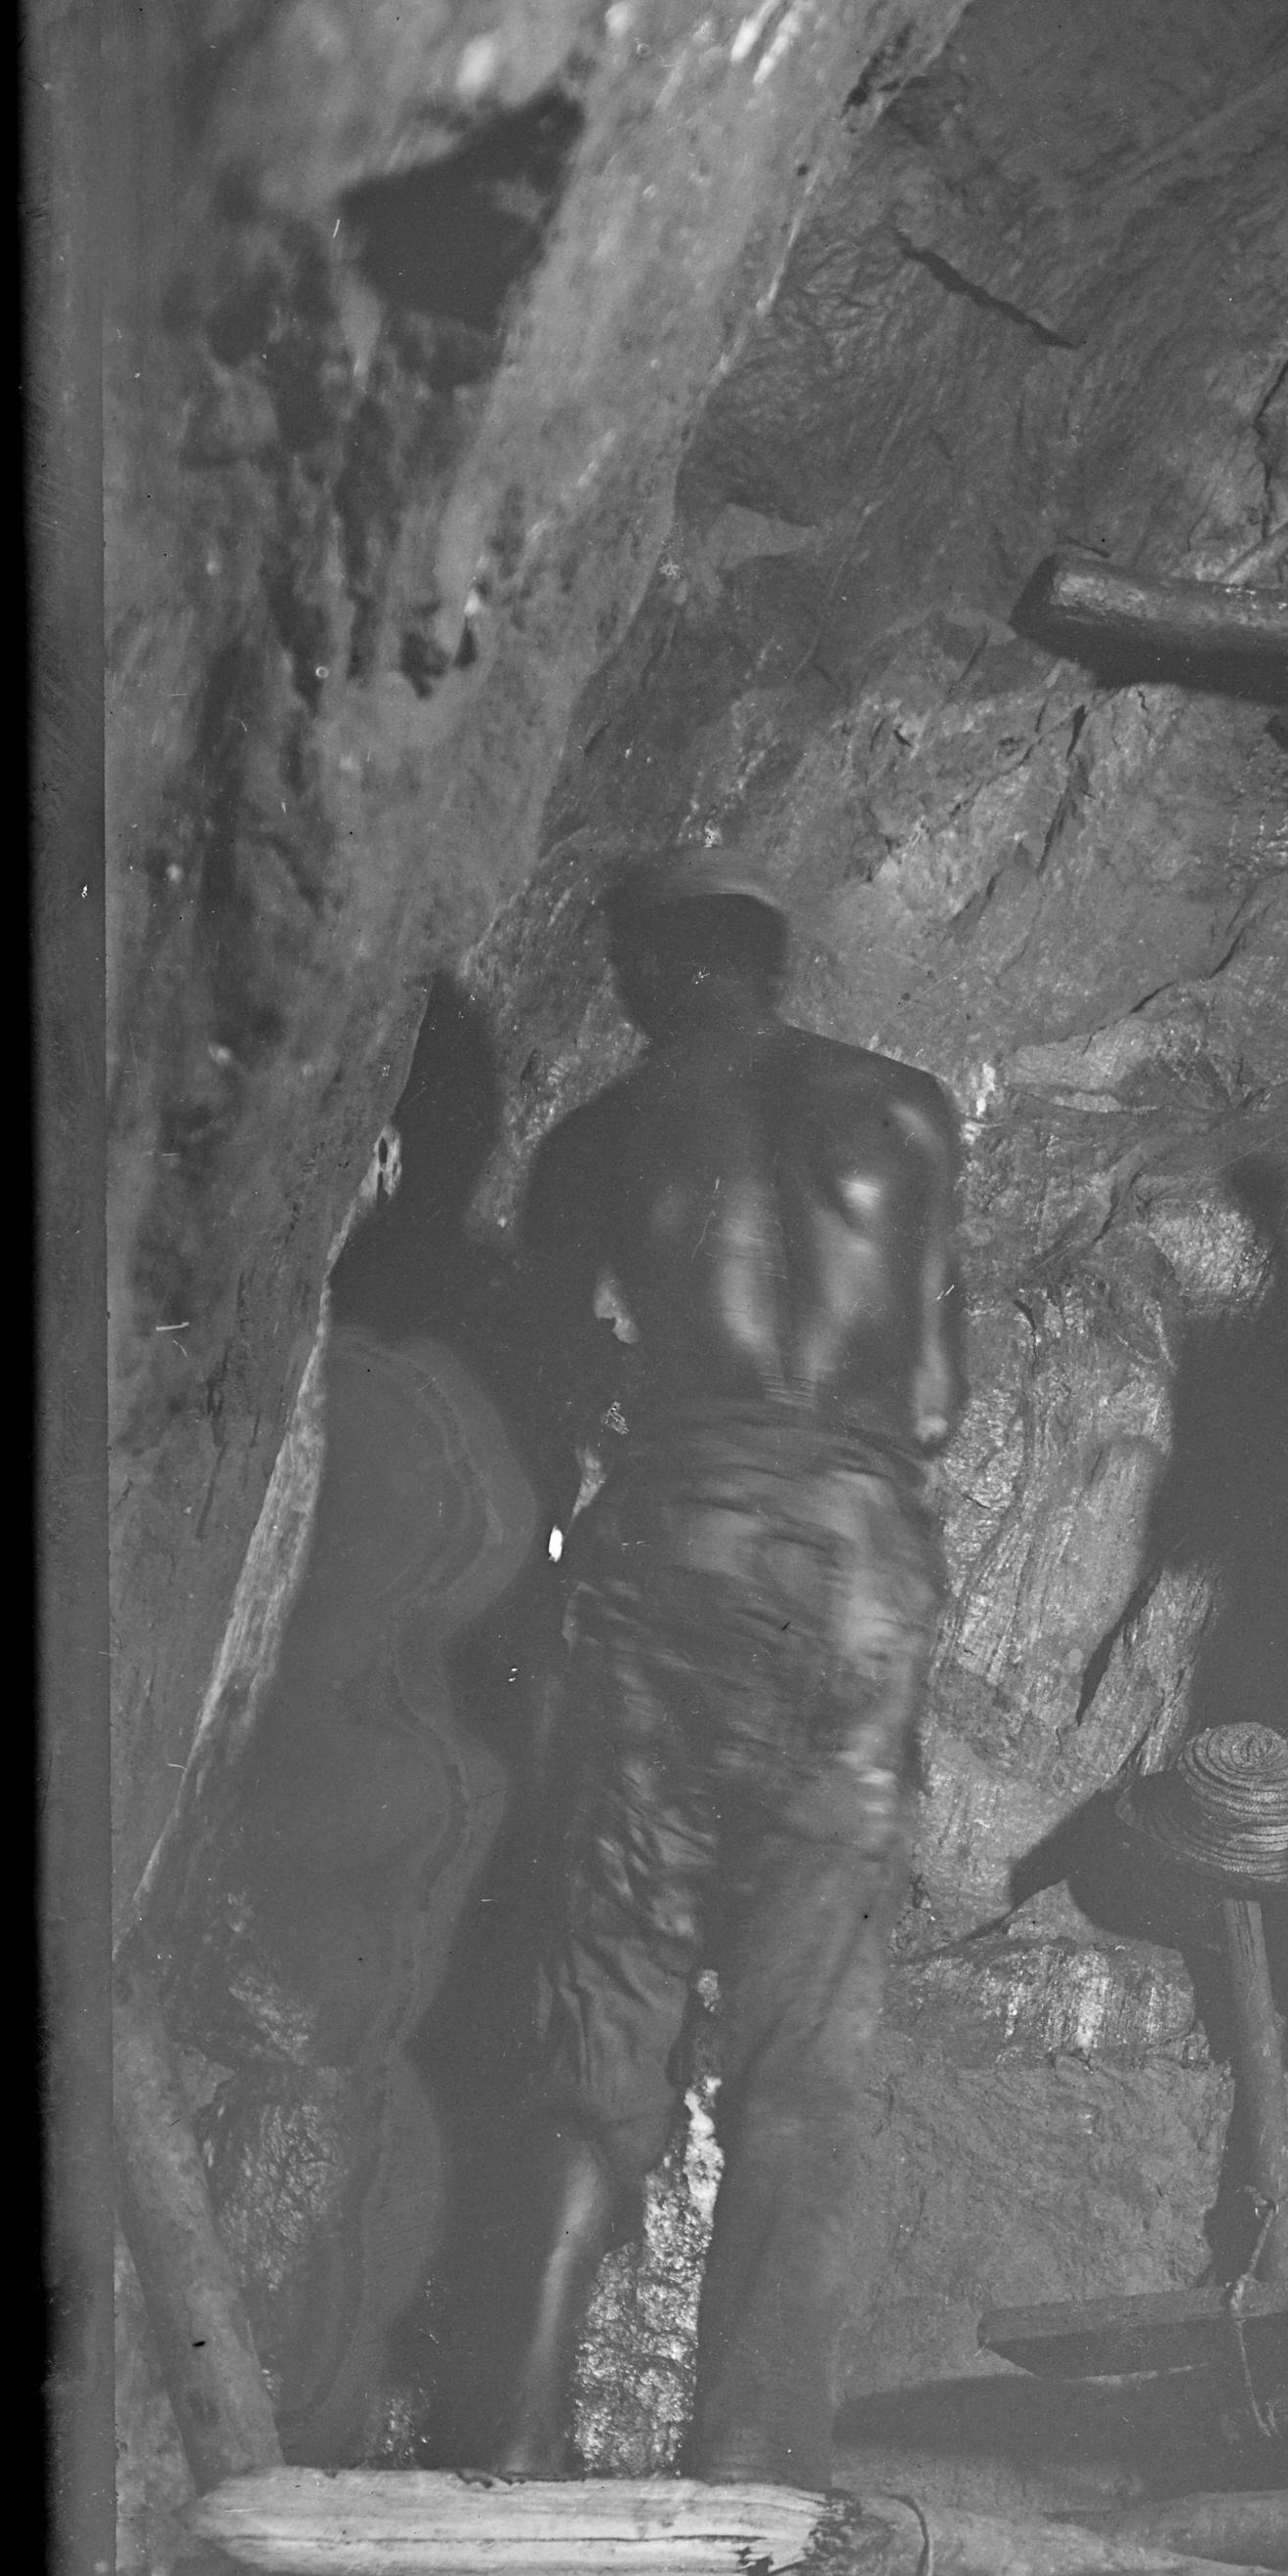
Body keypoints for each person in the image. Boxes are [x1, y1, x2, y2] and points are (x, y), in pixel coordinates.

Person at [436, 850, 967, 2487]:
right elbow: (937, 1396)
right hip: (861, 1563)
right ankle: (752, 2477)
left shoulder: (601, 1140)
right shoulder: (901, 1111)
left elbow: (551, 1363)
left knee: (605, 1999)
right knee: (805, 2052)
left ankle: (515, 2448)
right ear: (770, 960)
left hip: (670, 1541)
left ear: (652, 974)